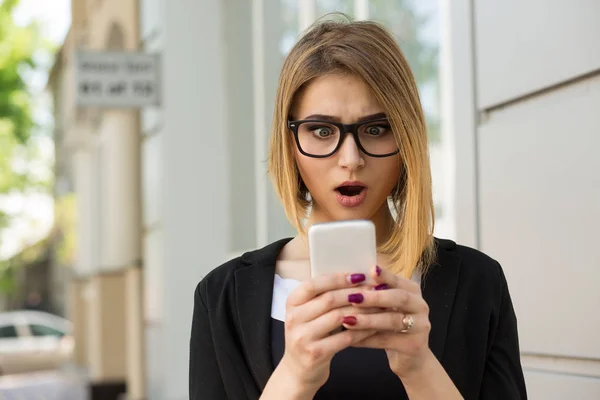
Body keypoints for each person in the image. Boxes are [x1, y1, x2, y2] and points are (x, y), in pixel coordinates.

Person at [190, 19, 527, 400]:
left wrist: (418, 366)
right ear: (290, 143)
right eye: (321, 131)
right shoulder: (221, 296)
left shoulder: (479, 282)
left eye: (377, 129)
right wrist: (296, 374)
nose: (351, 159)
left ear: (407, 138)